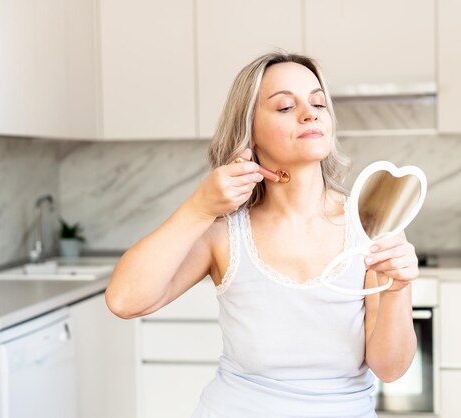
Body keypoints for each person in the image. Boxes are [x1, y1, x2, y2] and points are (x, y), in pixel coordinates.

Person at [105, 52, 419, 418]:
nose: (309, 112)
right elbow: (125, 300)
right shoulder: (223, 233)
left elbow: (390, 368)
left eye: (318, 102)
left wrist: (397, 291)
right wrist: (199, 207)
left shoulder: (372, 224)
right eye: (286, 106)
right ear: (249, 130)